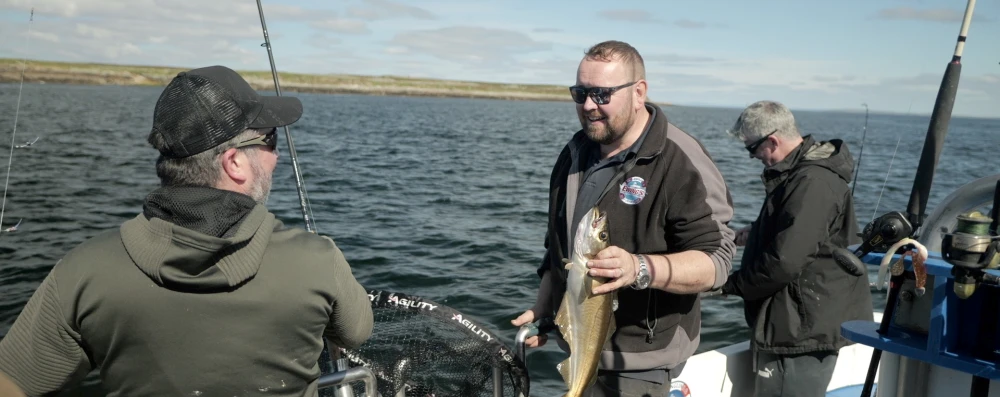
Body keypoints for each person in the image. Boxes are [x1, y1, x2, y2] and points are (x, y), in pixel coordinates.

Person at [0, 65, 374, 396]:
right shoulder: (317, 260)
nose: (276, 155)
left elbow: (11, 379)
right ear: (234, 162)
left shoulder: (84, 271)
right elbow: (356, 331)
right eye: (270, 140)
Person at [511, 40, 737, 397]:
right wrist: (546, 303)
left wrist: (639, 268)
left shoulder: (679, 159)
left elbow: (717, 260)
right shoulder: (574, 153)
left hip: (640, 362)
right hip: (577, 345)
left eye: (602, 94)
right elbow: (560, 245)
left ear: (638, 92)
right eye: (580, 92)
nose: (588, 105)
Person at [721, 100, 874, 397]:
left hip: (801, 329)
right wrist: (756, 234)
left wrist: (729, 285)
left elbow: (785, 261)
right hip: (799, 322)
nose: (752, 157)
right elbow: (807, 234)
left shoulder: (811, 180)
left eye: (752, 148)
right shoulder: (804, 176)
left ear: (773, 140)